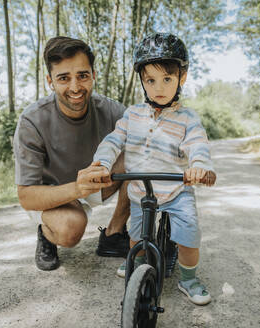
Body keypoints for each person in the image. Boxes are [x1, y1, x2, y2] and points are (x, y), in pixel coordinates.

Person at [93, 33, 217, 305]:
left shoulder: (188, 119)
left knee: (188, 236)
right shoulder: (132, 115)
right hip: (141, 189)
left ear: (182, 78)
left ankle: (189, 279)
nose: (158, 87)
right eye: (150, 80)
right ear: (142, 81)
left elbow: (198, 146)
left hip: (176, 190)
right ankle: (136, 261)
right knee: (136, 236)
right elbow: (114, 140)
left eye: (167, 79)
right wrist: (101, 163)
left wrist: (198, 166)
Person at [13, 36, 130, 272]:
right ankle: (47, 232)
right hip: (53, 196)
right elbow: (26, 196)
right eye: (64, 78)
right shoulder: (32, 121)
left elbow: (151, 141)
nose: (75, 87)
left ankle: (114, 234)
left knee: (140, 157)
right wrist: (77, 189)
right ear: (50, 81)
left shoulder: (113, 111)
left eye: (82, 76)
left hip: (96, 184)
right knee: (70, 230)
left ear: (93, 75)